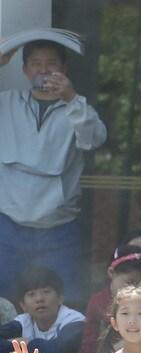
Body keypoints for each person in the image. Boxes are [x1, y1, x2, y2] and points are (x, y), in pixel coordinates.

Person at [0, 39, 107, 299]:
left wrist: (70, 97)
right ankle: (14, 344)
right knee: (4, 303)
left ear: (64, 69)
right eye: (36, 63)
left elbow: (95, 139)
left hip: (59, 228)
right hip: (8, 225)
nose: (43, 70)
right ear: (25, 69)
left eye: (51, 64)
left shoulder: (76, 108)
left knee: (61, 303)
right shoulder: (7, 102)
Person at [79, 245, 141, 353]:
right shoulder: (97, 303)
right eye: (129, 282)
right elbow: (89, 342)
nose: (134, 289)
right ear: (111, 273)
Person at [3, 267, 84, 353]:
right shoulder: (23, 322)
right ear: (23, 305)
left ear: (60, 298)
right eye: (31, 294)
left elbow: (58, 352)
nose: (39, 299)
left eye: (46, 291)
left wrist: (24, 344)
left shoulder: (74, 320)